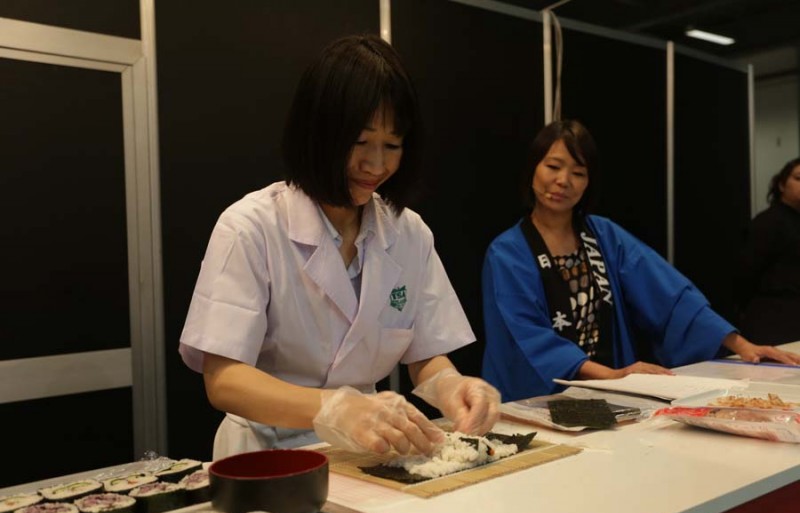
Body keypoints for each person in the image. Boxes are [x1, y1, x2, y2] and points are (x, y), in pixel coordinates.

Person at [178, 34, 499, 460]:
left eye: (392, 145)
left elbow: (425, 357)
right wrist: (332, 407)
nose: (376, 165)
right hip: (266, 451)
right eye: (360, 142)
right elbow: (224, 379)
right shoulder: (250, 227)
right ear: (319, 134)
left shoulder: (410, 234)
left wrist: (454, 386)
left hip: (369, 449)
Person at [481, 119, 800, 401]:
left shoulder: (604, 236)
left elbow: (670, 298)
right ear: (533, 168)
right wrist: (615, 376)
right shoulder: (508, 253)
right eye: (553, 166)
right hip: (536, 402)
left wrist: (741, 345)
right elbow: (528, 337)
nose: (564, 180)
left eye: (578, 172)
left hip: (608, 398)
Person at [735, 158, 800, 346]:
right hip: (774, 321)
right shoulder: (768, 223)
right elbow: (745, 274)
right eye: (798, 178)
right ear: (781, 184)